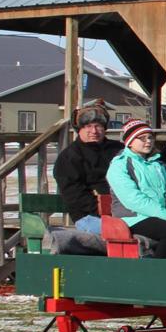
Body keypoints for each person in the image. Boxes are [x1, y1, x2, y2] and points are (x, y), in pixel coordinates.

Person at [104, 119, 166, 259]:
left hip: (162, 215)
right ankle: (155, 272)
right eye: (142, 138)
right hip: (132, 217)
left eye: (150, 137)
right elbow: (133, 199)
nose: (148, 141)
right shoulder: (120, 165)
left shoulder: (159, 164)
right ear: (129, 141)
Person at [53, 100, 123, 234]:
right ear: (80, 129)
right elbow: (74, 195)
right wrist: (105, 210)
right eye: (88, 126)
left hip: (125, 210)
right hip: (89, 216)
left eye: (98, 126)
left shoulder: (119, 150)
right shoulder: (69, 157)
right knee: (118, 232)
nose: (94, 131)